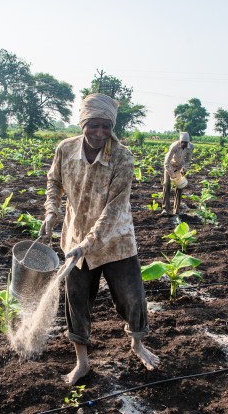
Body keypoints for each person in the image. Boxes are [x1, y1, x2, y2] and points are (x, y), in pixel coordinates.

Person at [39, 93, 160, 385]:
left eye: (106, 126)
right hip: (75, 239)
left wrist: (89, 243)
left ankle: (137, 344)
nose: (99, 132)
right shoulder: (65, 149)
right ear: (83, 122)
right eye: (93, 125)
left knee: (132, 298)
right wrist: (51, 211)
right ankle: (82, 361)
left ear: (112, 127)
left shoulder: (122, 156)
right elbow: (53, 181)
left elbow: (115, 207)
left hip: (116, 240)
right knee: (77, 301)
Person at [161, 132, 194, 216]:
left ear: (188, 142)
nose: (184, 144)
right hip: (170, 166)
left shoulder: (191, 147)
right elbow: (166, 162)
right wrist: (171, 174)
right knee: (166, 184)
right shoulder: (174, 146)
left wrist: (184, 168)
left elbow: (188, 160)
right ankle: (165, 209)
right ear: (180, 141)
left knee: (180, 186)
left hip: (179, 167)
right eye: (182, 142)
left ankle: (176, 210)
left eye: (186, 143)